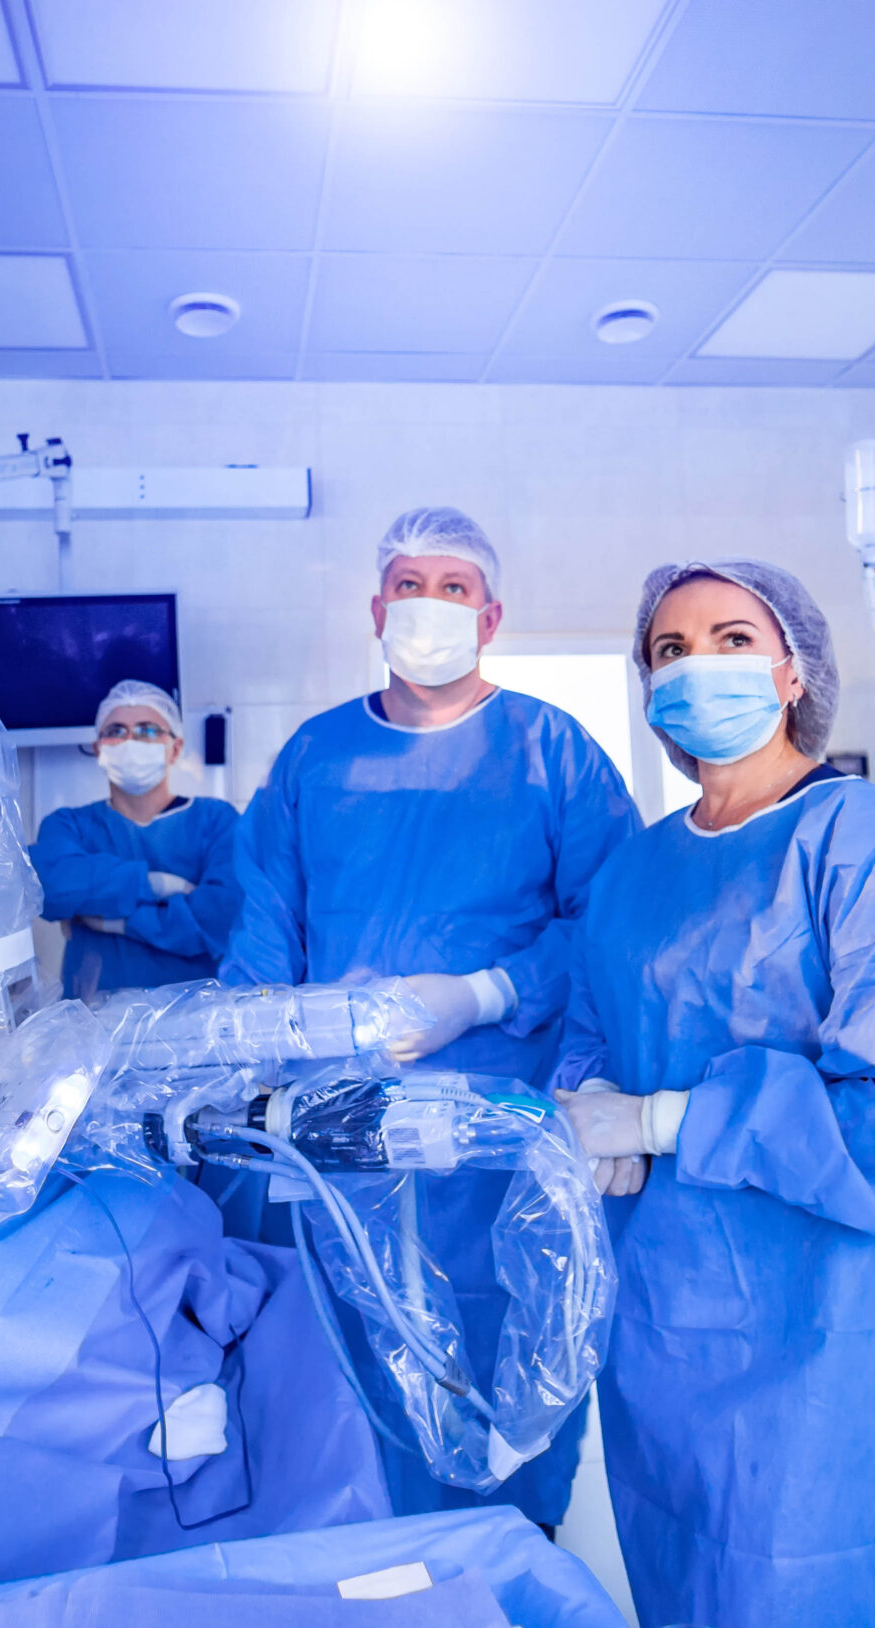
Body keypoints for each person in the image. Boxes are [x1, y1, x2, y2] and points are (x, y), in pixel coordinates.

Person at [554, 560, 875, 1628]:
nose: (693, 665)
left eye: (727, 636)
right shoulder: (635, 871)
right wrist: (590, 1112)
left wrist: (671, 1118)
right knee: (698, 1603)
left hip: (828, 1322)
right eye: (668, 649)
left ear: (791, 670)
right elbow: (586, 1027)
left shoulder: (866, 841)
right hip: (665, 1326)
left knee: (831, 1615)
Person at [223, 506, 640, 1530]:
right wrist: (256, 1060)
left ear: (489, 613)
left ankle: (516, 1545)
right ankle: (378, 1580)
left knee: (502, 1332)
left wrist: (485, 995)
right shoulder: (315, 758)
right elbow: (265, 934)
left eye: (454, 589)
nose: (430, 606)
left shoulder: (552, 751)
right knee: (354, 1353)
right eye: (411, 585)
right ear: (376, 607)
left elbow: (612, 921)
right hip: (339, 1136)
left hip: (499, 1130)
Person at [33, 680, 242, 999]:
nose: (130, 740)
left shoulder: (217, 821)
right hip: (94, 1023)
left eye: (147, 730)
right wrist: (157, 884)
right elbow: (49, 890)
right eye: (115, 731)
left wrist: (113, 921)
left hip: (198, 1018)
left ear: (174, 748)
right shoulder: (69, 824)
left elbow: (216, 921)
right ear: (98, 748)